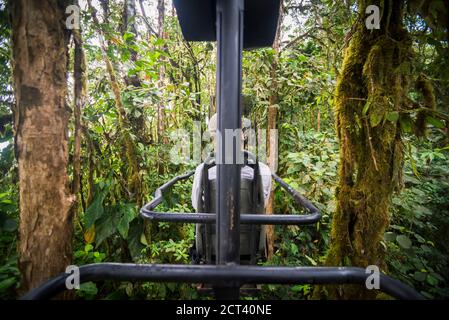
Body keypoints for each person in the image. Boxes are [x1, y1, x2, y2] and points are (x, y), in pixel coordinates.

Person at [191, 113, 272, 211]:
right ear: (241, 137)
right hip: (250, 226)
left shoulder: (203, 170)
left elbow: (197, 205)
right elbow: (262, 205)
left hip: (214, 226)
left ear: (215, 140)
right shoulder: (263, 171)